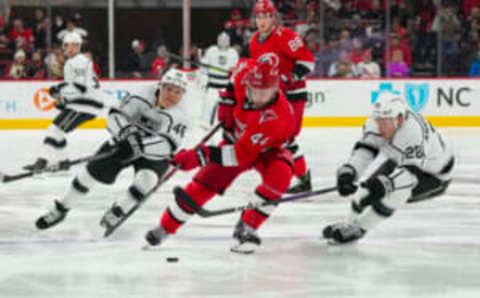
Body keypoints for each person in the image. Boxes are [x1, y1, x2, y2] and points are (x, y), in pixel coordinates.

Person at [144, 53, 295, 254]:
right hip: (236, 140)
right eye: (254, 91)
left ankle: (248, 226)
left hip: (266, 151)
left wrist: (200, 155)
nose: (258, 97)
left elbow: (240, 155)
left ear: (275, 89)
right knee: (204, 185)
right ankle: (165, 227)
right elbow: (235, 77)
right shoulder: (244, 73)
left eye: (264, 93)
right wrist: (228, 100)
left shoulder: (278, 117)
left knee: (281, 175)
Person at [35, 68, 192, 232]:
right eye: (168, 89)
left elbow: (167, 145)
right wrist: (124, 132)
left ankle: (119, 211)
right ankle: (61, 209)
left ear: (183, 94)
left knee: (147, 180)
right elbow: (115, 116)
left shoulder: (182, 114)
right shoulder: (142, 94)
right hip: (126, 141)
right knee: (87, 176)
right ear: (161, 85)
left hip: (154, 153)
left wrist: (140, 144)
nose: (171, 95)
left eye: (178, 92)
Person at [323, 92, 455, 244]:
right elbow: (366, 149)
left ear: (399, 119)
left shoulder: (413, 133)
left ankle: (361, 228)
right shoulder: (378, 123)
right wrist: (350, 171)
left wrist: (386, 184)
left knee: (396, 192)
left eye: (385, 122)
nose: (380, 127)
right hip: (401, 161)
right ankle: (349, 224)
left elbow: (410, 176)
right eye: (378, 120)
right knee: (364, 192)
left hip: (433, 175)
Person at [248, 0, 315, 194]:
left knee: (288, 137)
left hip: (294, 94)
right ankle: (299, 178)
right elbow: (257, 68)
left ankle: (302, 179)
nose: (262, 20)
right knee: (278, 138)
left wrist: (290, 76)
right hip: (275, 96)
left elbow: (308, 61)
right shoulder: (254, 42)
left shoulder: (285, 36)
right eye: (259, 16)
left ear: (273, 17)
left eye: (266, 16)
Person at [23, 32, 102, 171]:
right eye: (67, 45)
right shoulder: (76, 61)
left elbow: (81, 87)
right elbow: (80, 87)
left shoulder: (77, 61)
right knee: (57, 131)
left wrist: (59, 90)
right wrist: (64, 98)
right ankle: (63, 161)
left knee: (55, 130)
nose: (69, 48)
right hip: (84, 105)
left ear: (78, 46)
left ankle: (42, 162)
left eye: (72, 45)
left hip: (84, 106)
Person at [200, 31, 239, 127]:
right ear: (217, 40)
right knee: (208, 106)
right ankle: (205, 125)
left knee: (222, 109)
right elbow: (204, 68)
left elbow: (236, 70)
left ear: (229, 41)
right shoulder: (211, 50)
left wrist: (232, 84)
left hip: (225, 87)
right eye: (221, 39)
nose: (223, 41)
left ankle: (219, 126)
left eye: (225, 40)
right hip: (212, 85)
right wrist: (203, 78)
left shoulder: (233, 53)